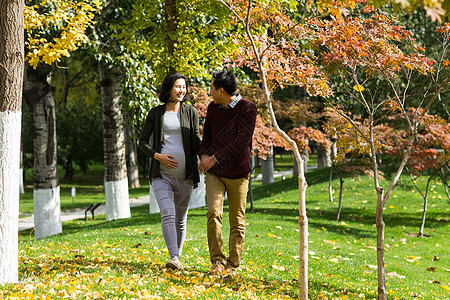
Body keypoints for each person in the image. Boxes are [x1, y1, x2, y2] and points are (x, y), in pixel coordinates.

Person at [198, 70, 257, 280]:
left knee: (237, 220)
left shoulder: (248, 108)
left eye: (212, 87)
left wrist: (214, 158)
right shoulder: (213, 108)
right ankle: (217, 261)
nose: (209, 91)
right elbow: (207, 137)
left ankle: (232, 265)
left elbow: (241, 142)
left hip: (238, 173)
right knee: (214, 214)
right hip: (215, 172)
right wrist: (204, 156)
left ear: (221, 90)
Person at [139, 72, 201, 270]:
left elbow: (197, 140)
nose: (181, 90)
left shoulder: (191, 112)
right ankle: (174, 257)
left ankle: (178, 257)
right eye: (177, 86)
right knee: (167, 212)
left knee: (181, 219)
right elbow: (142, 141)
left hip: (186, 175)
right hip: (161, 175)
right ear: (169, 88)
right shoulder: (156, 113)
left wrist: (208, 155)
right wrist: (158, 156)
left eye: (184, 86)